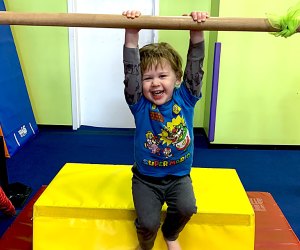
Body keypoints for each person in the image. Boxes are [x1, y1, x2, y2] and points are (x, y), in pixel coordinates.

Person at [122, 10, 208, 250]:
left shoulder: (186, 98)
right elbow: (131, 74)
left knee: (187, 208)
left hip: (179, 177)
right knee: (147, 224)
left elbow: (195, 67)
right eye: (148, 78)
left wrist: (196, 30)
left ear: (177, 78)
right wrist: (131, 35)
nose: (156, 83)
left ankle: (171, 234)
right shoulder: (139, 104)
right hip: (146, 179)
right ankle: (146, 244)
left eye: (162, 76)